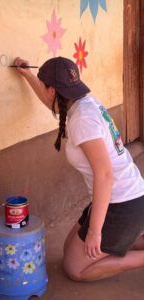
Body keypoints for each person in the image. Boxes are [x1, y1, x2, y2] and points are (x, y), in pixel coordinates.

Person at [13, 56, 144, 281]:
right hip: (126, 196)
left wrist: (95, 231)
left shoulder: (82, 120)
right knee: (68, 249)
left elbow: (104, 174)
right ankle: (130, 236)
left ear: (52, 90)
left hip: (123, 203)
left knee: (75, 268)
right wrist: (27, 75)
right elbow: (51, 101)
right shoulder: (83, 102)